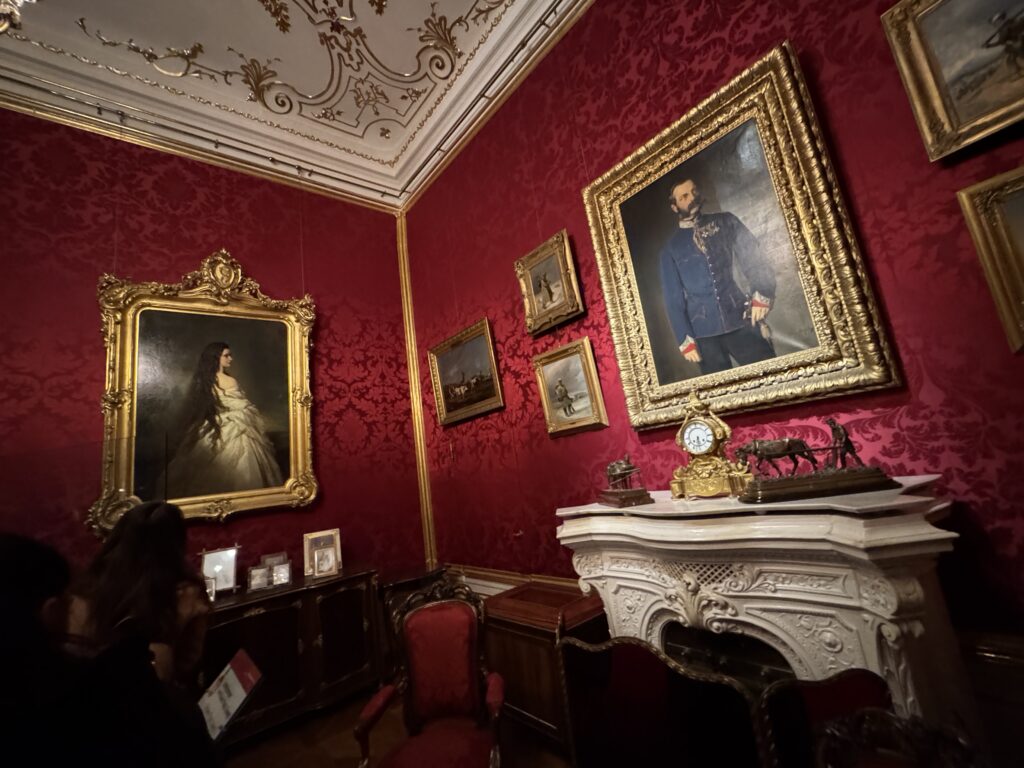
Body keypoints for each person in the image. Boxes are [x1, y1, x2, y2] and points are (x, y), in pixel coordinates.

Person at [67, 501, 218, 767]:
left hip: (86, 714)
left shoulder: (85, 587)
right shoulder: (185, 592)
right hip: (157, 712)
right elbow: (189, 659)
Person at [659, 177, 776, 375]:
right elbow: (673, 299)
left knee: (771, 374)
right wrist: (684, 338)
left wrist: (763, 291)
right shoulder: (670, 249)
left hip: (740, 318)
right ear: (674, 207)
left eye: (694, 192)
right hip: (703, 334)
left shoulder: (726, 221)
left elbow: (754, 257)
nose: (692, 198)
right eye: (684, 197)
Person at [166, 341, 284, 498]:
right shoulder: (230, 380)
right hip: (234, 425)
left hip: (216, 425)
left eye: (230, 355)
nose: (231, 359)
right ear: (216, 357)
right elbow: (242, 406)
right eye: (226, 355)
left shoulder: (205, 380)